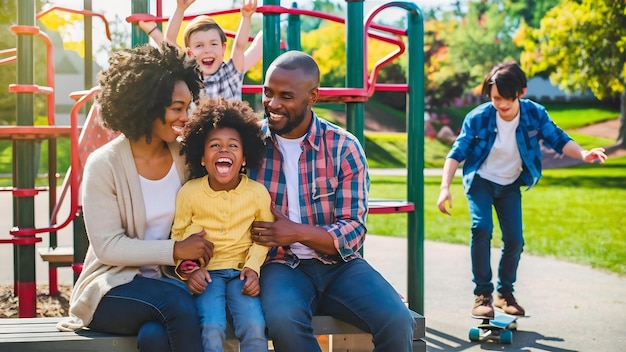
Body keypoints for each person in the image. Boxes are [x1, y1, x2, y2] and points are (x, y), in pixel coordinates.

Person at [247, 50, 416, 352]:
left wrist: (296, 232)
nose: (272, 104)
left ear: (313, 96)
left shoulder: (344, 147)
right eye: (267, 92)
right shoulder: (248, 146)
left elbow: (353, 230)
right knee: (284, 320)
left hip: (340, 265)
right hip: (279, 265)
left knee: (398, 319)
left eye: (286, 96)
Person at [56, 43, 214, 352]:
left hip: (170, 283)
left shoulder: (185, 157)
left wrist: (189, 263)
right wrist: (176, 250)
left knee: (155, 338)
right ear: (148, 106)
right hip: (113, 289)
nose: (186, 116)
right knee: (177, 305)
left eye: (188, 106)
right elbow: (108, 247)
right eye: (176, 108)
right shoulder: (104, 164)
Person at [436, 61, 608, 319]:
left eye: (507, 98)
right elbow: (456, 153)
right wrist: (444, 187)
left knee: (515, 240)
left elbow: (558, 138)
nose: (501, 105)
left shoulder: (534, 114)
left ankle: (505, 294)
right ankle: (483, 294)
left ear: (521, 92)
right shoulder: (479, 117)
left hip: (510, 185)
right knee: (481, 228)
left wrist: (583, 153)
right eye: (496, 98)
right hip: (481, 181)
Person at [170, 97, 272, 352]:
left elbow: (263, 238)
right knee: (211, 326)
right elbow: (178, 237)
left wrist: (253, 269)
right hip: (207, 276)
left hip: (241, 275)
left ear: (245, 157)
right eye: (214, 145)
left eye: (233, 146)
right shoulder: (189, 193)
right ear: (202, 158)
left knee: (254, 326)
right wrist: (189, 270)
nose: (223, 150)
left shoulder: (258, 193)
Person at [139, 0, 261, 100]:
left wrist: (246, 17)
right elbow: (169, 42)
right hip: (201, 128)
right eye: (199, 45)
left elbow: (239, 46)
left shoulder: (230, 72)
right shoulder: (190, 75)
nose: (207, 50)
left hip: (230, 128)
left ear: (223, 49)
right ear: (190, 53)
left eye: (213, 44)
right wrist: (180, 9)